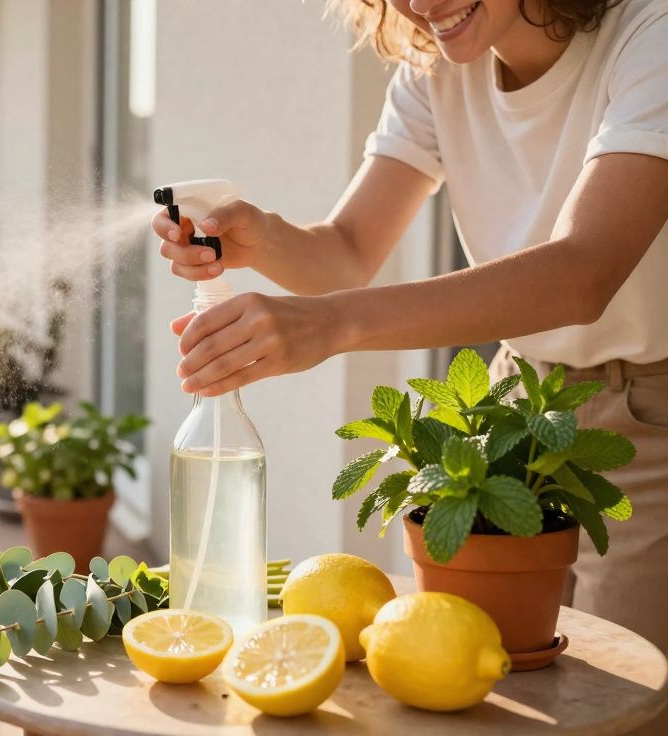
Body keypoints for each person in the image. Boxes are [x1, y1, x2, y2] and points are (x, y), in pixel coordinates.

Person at [154, 0, 668, 660]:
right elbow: (346, 251)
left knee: (624, 686)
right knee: (478, 669)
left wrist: (331, 325)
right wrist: (263, 238)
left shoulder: (648, 36)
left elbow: (584, 272)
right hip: (517, 406)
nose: (422, 6)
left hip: (648, 421)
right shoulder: (438, 69)